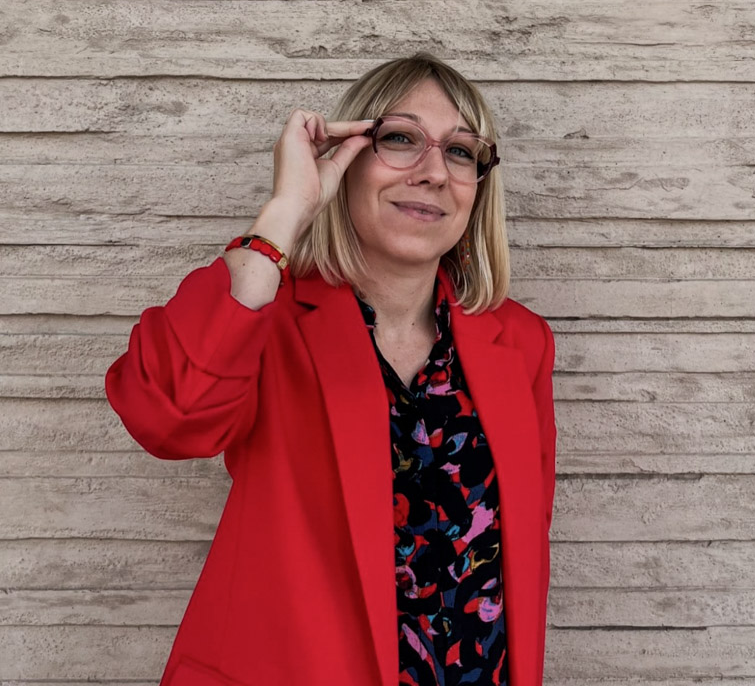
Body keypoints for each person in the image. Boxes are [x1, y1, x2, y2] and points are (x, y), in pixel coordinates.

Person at [105, 52, 557, 686]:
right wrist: (286, 213)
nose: (432, 173)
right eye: (400, 139)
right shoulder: (267, 315)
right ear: (347, 159)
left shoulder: (520, 342)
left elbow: (519, 557)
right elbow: (167, 420)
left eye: (460, 152)